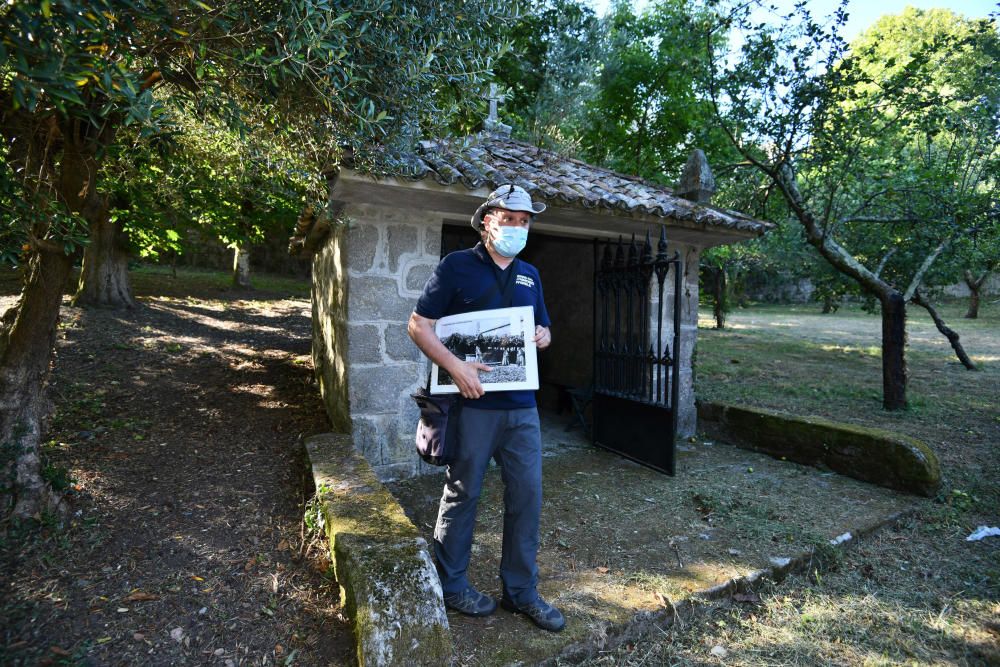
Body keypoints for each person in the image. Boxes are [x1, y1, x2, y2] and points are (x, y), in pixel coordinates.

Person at [407, 184, 565, 632]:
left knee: (527, 498)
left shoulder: (531, 275)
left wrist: (542, 336)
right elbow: (419, 326)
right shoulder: (456, 267)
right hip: (471, 407)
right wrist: (456, 367)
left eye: (524, 220)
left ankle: (520, 592)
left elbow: (545, 330)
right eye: (508, 218)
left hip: (522, 409)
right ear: (486, 221)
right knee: (463, 493)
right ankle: (452, 584)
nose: (517, 226)